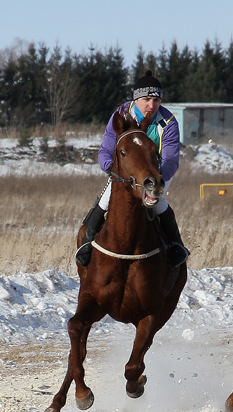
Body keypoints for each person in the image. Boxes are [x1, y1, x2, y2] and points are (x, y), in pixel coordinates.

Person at [75, 71, 189, 268]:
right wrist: (111, 170)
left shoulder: (169, 122)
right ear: (136, 99)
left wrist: (154, 178)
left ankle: (176, 246)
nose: (151, 106)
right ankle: (86, 243)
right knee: (106, 198)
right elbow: (105, 150)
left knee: (158, 201)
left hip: (156, 172)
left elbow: (170, 159)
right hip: (124, 173)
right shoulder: (120, 115)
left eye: (156, 100)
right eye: (146, 99)